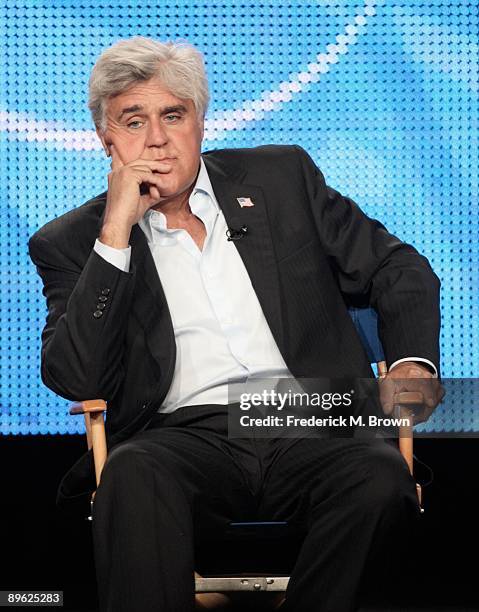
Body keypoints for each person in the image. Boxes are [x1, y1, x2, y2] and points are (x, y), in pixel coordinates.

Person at [29, 36, 444, 612]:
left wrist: (410, 361)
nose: (156, 139)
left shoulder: (281, 180)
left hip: (309, 416)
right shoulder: (72, 242)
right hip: (178, 434)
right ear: (106, 139)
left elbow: (398, 267)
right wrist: (117, 232)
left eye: (173, 115)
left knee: (378, 480)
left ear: (201, 122)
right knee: (131, 476)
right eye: (133, 121)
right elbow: (77, 376)